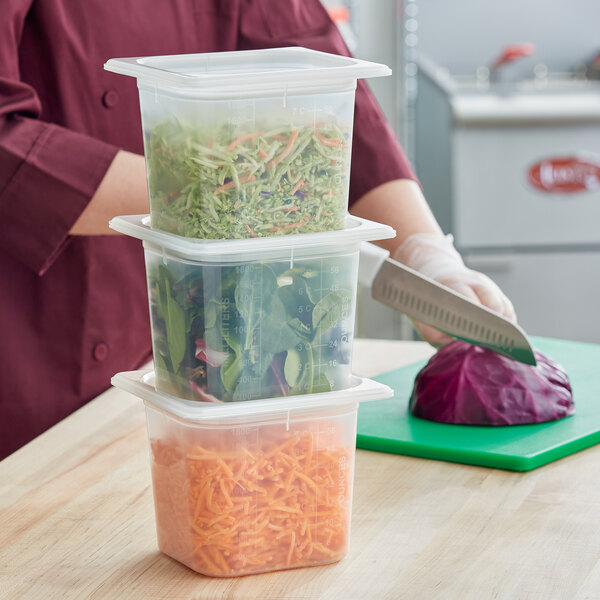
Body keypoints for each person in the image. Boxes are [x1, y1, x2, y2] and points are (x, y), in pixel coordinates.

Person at [0, 0, 514, 460]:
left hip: (184, 355)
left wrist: (424, 255)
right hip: (32, 359)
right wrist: (239, 198)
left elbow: (325, 87)